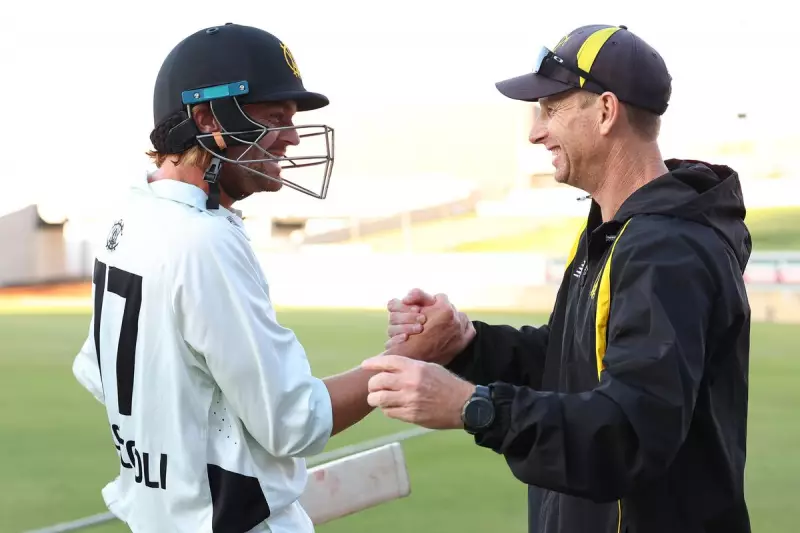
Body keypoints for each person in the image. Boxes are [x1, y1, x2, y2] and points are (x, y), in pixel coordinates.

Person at [363, 24, 753, 533]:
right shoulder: (617, 232)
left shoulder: (665, 250)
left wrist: (473, 407)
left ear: (607, 111)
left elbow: (629, 434)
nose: (535, 131)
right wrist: (468, 344)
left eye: (551, 109)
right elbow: (572, 365)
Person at [71, 23, 391, 533]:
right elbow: (295, 423)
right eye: (273, 117)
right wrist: (406, 360)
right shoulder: (203, 240)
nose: (291, 136)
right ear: (206, 118)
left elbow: (94, 369)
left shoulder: (131, 215)